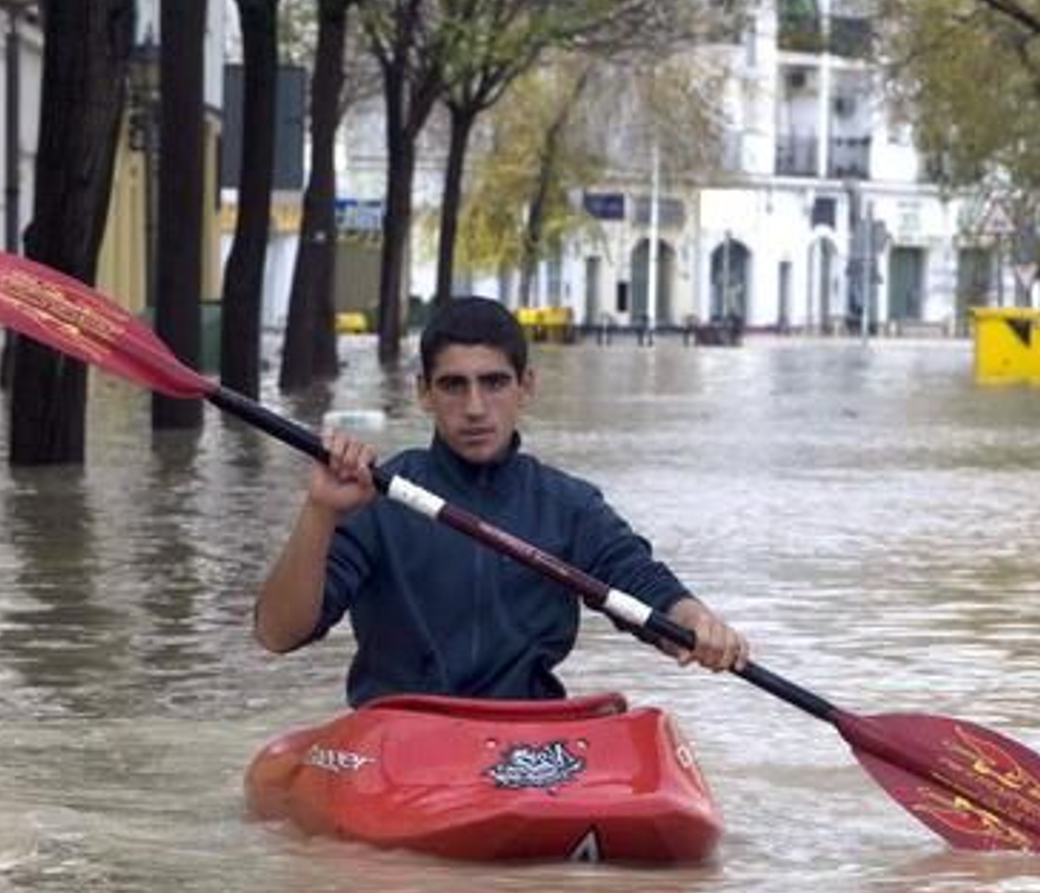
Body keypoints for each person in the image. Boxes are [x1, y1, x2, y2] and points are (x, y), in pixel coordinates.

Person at [254, 295, 748, 706]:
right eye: (453, 385)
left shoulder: (569, 506)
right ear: (424, 392)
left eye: (493, 383)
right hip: (401, 738)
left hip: (527, 742)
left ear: (525, 387)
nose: (474, 408)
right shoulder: (376, 498)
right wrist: (319, 510)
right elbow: (277, 634)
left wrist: (696, 623)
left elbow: (644, 587)